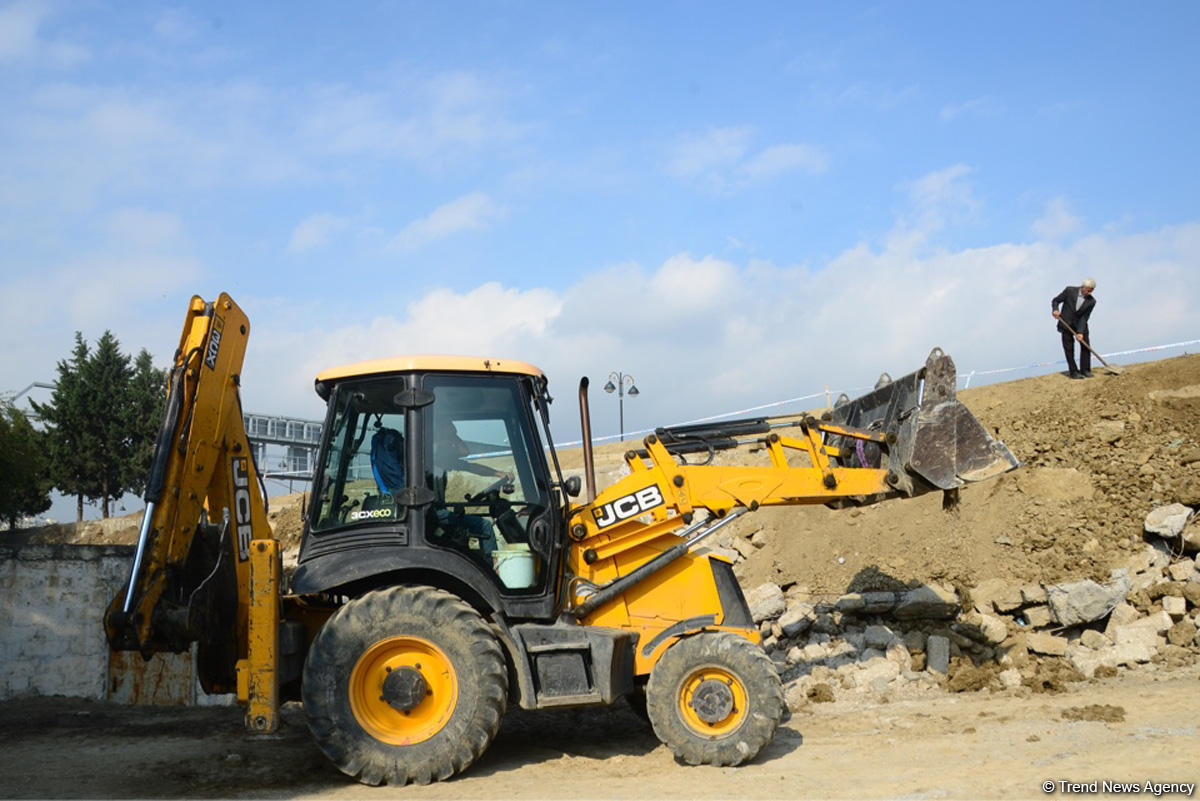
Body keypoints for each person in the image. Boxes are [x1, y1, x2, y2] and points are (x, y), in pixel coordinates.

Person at [430, 417, 509, 558]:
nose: (454, 440)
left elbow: (469, 464)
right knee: (485, 527)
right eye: (451, 435)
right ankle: (491, 572)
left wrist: (497, 473)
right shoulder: (434, 456)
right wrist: (449, 437)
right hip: (434, 515)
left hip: (437, 513)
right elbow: (464, 451)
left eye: (454, 436)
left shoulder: (439, 458)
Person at [1051, 278, 1097, 379]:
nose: (1089, 292)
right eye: (1088, 290)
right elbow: (1056, 300)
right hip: (1066, 323)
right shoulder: (1069, 291)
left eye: (1091, 290)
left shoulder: (1092, 301)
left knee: (1085, 346)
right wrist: (1055, 310)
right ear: (1083, 287)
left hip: (1080, 325)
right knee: (1069, 349)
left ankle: (1085, 370)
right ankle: (1074, 372)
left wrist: (1080, 332)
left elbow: (1085, 317)